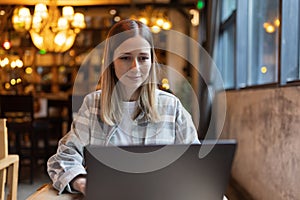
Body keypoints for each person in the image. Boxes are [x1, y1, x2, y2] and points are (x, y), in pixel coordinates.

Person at [47, 19, 200, 195]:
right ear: (111, 62)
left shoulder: (171, 106)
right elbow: (63, 158)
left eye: (143, 58)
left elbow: (194, 163)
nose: (135, 68)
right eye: (125, 58)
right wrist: (83, 183)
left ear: (151, 60)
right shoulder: (93, 105)